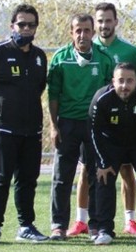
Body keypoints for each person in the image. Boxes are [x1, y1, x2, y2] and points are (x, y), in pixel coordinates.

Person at [0, 4, 50, 245]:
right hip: (3, 129)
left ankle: (26, 226)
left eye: (31, 25)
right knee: (0, 178)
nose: (26, 29)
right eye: (21, 24)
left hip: (31, 130)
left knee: (28, 179)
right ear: (12, 26)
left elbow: (39, 88)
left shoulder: (39, 57)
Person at [47, 13, 114, 240]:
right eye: (78, 30)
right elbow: (53, 95)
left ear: (93, 32)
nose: (82, 35)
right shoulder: (60, 58)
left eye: (86, 30)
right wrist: (53, 126)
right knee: (62, 176)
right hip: (67, 122)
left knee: (97, 174)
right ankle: (58, 225)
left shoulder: (103, 59)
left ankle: (95, 224)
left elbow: (109, 95)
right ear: (71, 32)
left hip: (94, 124)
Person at [88, 63, 136, 245]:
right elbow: (93, 132)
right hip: (111, 144)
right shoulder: (101, 98)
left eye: (129, 81)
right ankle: (105, 230)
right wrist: (103, 162)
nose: (124, 85)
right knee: (104, 177)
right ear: (113, 81)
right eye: (120, 80)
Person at [92, 3, 136, 236]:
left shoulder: (130, 51)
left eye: (108, 20)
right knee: (90, 171)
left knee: (126, 171)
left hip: (124, 119)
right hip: (96, 119)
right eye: (100, 20)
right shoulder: (89, 48)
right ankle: (84, 219)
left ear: (116, 21)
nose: (104, 25)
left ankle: (130, 220)